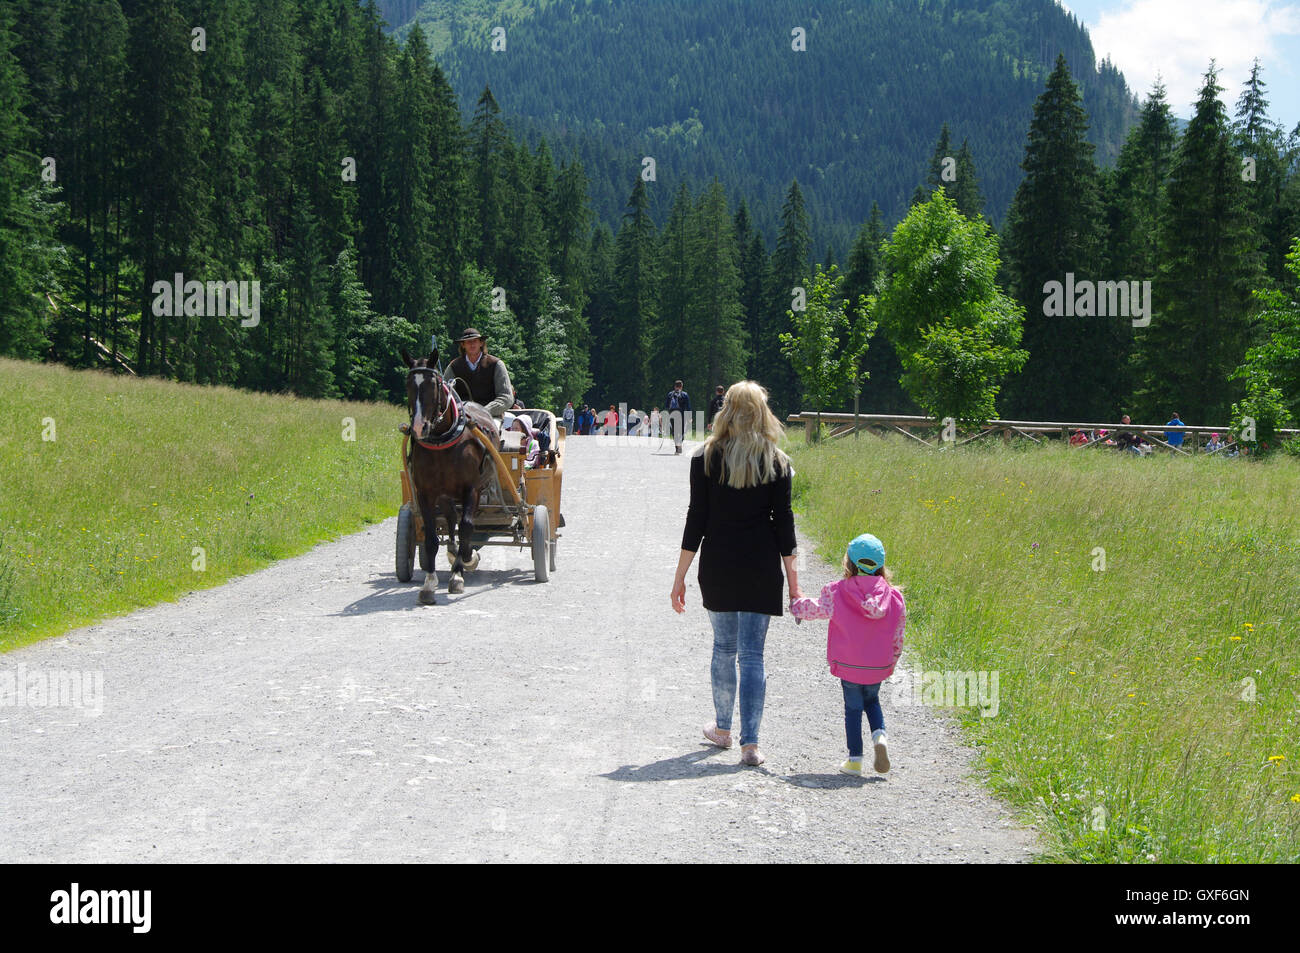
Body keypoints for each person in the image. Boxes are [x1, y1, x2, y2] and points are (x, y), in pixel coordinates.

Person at [671, 381, 799, 767]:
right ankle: (751, 745)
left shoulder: (705, 458)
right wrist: (794, 586)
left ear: (726, 411)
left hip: (719, 565)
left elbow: (697, 520)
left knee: (724, 649)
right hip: (761, 567)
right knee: (753, 656)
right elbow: (785, 526)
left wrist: (679, 576)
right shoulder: (777, 462)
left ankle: (723, 730)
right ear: (762, 412)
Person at [790, 533, 905, 775]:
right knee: (872, 702)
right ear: (881, 565)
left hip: (849, 664)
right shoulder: (893, 597)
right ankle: (880, 737)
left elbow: (816, 609)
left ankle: (854, 760)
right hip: (877, 666)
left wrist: (795, 605)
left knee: (853, 709)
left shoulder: (837, 592)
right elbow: (898, 635)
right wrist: (892, 662)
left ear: (849, 563)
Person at [445, 328, 514, 428]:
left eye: (475, 341)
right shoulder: (453, 367)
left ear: (481, 343)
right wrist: (462, 412)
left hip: (491, 416)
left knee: (491, 437)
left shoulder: (496, 364)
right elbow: (447, 396)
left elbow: (506, 397)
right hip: (461, 417)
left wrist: (483, 411)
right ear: (463, 345)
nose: (472, 344)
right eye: (468, 342)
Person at [665, 379, 692, 455]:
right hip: (681, 415)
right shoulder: (684, 394)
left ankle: (677, 448)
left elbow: (667, 406)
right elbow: (688, 407)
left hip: (672, 415)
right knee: (681, 431)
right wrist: (689, 417)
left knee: (674, 431)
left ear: (675, 386)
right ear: (681, 387)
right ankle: (679, 444)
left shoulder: (670, 394)